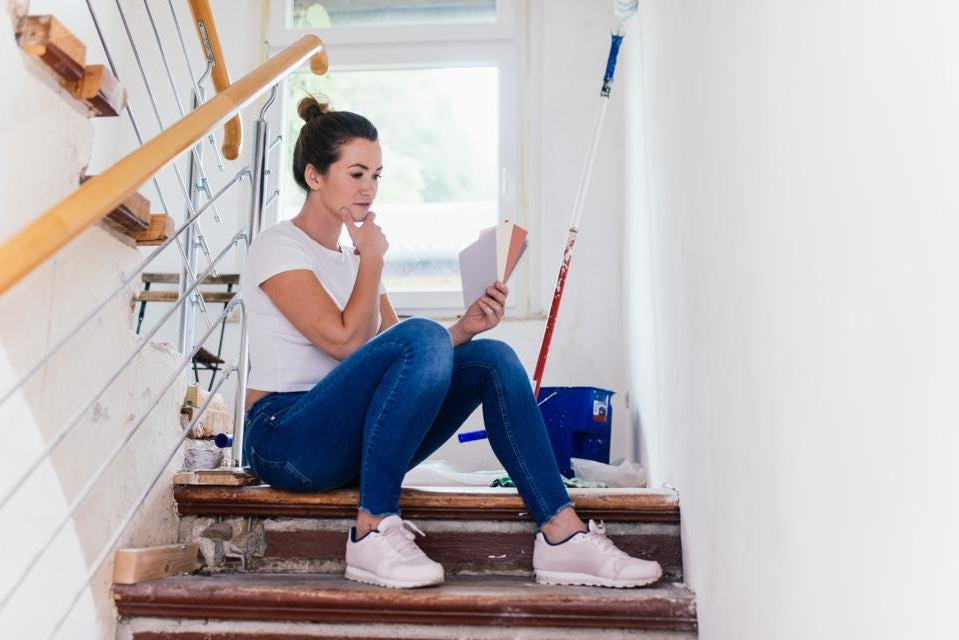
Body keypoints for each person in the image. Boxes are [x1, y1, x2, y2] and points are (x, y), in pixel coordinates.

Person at [241, 96, 663, 590]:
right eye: (356, 174)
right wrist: (372, 259)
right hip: (286, 440)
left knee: (492, 358)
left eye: (376, 175)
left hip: (351, 440)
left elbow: (397, 354)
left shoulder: (357, 258)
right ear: (314, 176)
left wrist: (464, 328)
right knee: (420, 332)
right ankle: (372, 529)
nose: (369, 188)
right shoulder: (279, 246)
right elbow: (345, 343)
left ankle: (562, 535)